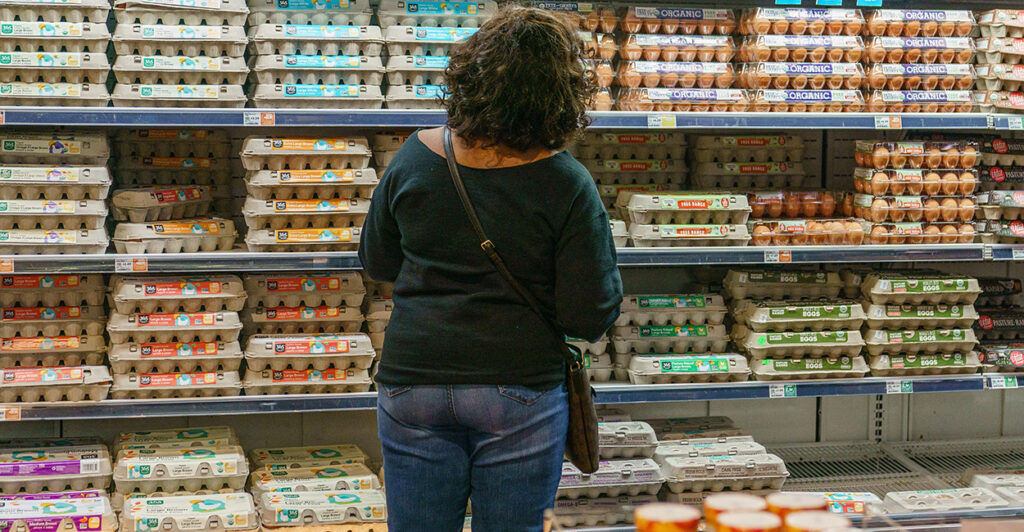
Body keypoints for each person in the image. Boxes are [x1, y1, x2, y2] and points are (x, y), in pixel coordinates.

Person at [359, 5, 623, 531]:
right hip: (519, 384)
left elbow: (378, 261)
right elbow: (588, 312)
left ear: (468, 76)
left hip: (415, 380)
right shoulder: (567, 181)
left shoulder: (414, 156)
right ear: (561, 92)